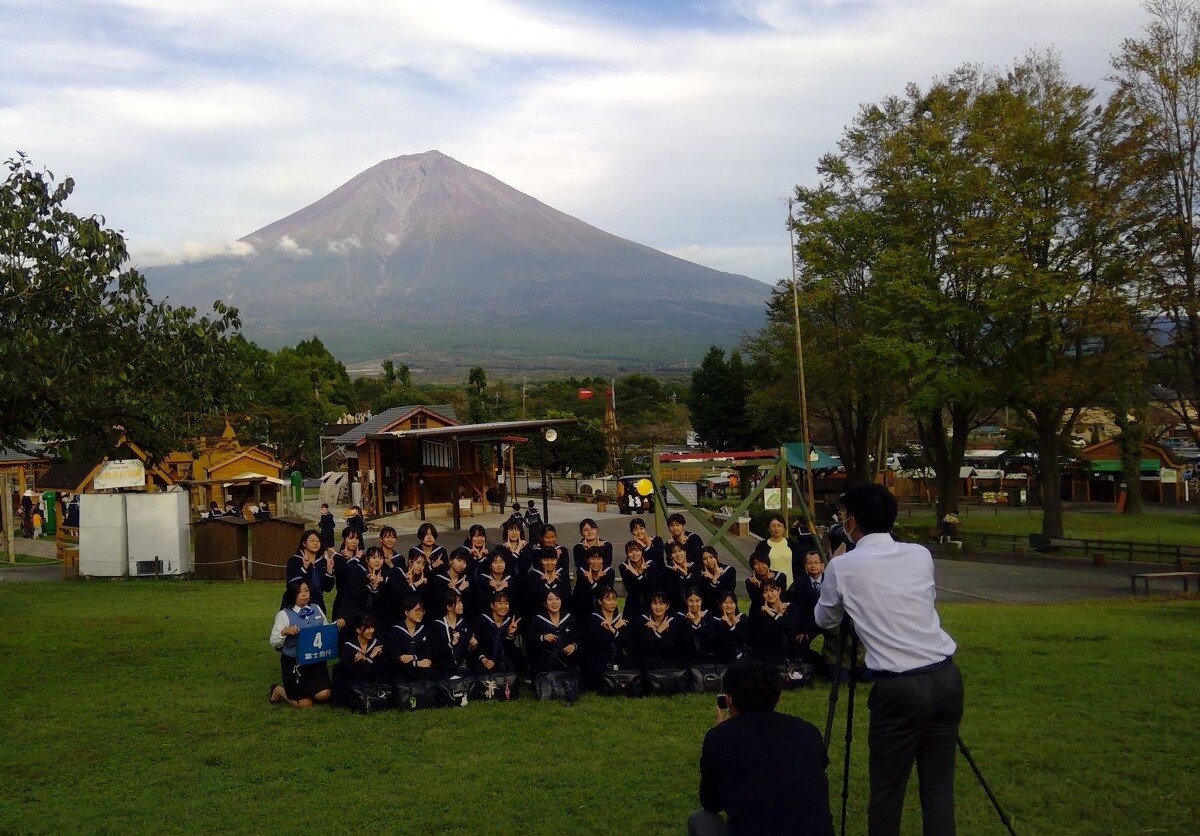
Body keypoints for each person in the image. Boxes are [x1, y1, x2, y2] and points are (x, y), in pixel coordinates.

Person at [815, 483, 962, 836]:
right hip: (945, 677)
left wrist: (833, 568)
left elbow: (825, 619)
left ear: (851, 523)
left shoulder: (843, 567)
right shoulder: (919, 554)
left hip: (899, 688)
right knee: (938, 789)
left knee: (887, 791)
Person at [688, 657, 833, 835]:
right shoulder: (809, 732)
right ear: (778, 697)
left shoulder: (719, 738)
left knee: (700, 819)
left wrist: (722, 733)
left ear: (728, 699)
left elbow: (711, 803)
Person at [269, 580, 345, 707]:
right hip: (295, 663)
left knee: (325, 694)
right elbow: (274, 641)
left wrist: (337, 624)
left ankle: (311, 690)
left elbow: (324, 630)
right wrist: (285, 631)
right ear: (292, 594)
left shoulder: (316, 608)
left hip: (316, 661)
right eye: (300, 592)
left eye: (306, 590)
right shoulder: (284, 614)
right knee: (306, 703)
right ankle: (278, 690)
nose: (304, 594)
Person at [283, 529, 336, 616]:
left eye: (318, 541)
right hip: (296, 605)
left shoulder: (323, 562)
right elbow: (291, 584)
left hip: (317, 604)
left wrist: (329, 571)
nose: (315, 543)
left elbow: (327, 588)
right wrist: (305, 567)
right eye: (312, 540)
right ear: (304, 543)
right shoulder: (294, 560)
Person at [750, 512, 806, 589]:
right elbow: (756, 565)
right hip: (769, 588)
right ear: (769, 528)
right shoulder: (762, 546)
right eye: (773, 526)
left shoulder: (792, 545)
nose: (776, 529)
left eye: (779, 525)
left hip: (791, 587)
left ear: (784, 528)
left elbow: (800, 567)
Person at [618, 539, 657, 622]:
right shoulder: (623, 567)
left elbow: (650, 587)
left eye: (637, 550)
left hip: (649, 604)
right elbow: (631, 589)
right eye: (630, 551)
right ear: (627, 554)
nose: (634, 554)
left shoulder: (651, 564)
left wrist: (636, 574)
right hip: (632, 605)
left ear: (641, 551)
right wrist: (639, 573)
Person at [696, 546, 736, 611]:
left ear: (717, 557)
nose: (708, 561)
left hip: (727, 608)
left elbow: (727, 592)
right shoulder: (702, 575)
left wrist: (713, 578)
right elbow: (707, 597)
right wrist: (713, 579)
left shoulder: (729, 571)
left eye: (711, 557)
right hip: (710, 609)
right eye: (704, 559)